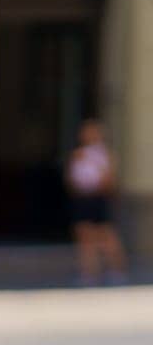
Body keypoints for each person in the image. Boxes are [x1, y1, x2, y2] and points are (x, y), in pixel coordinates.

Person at [67, 119, 130, 286]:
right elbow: (72, 178)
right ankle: (89, 272)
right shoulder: (78, 154)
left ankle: (117, 270)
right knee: (84, 236)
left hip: (99, 198)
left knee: (107, 236)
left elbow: (110, 180)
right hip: (83, 199)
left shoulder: (104, 154)